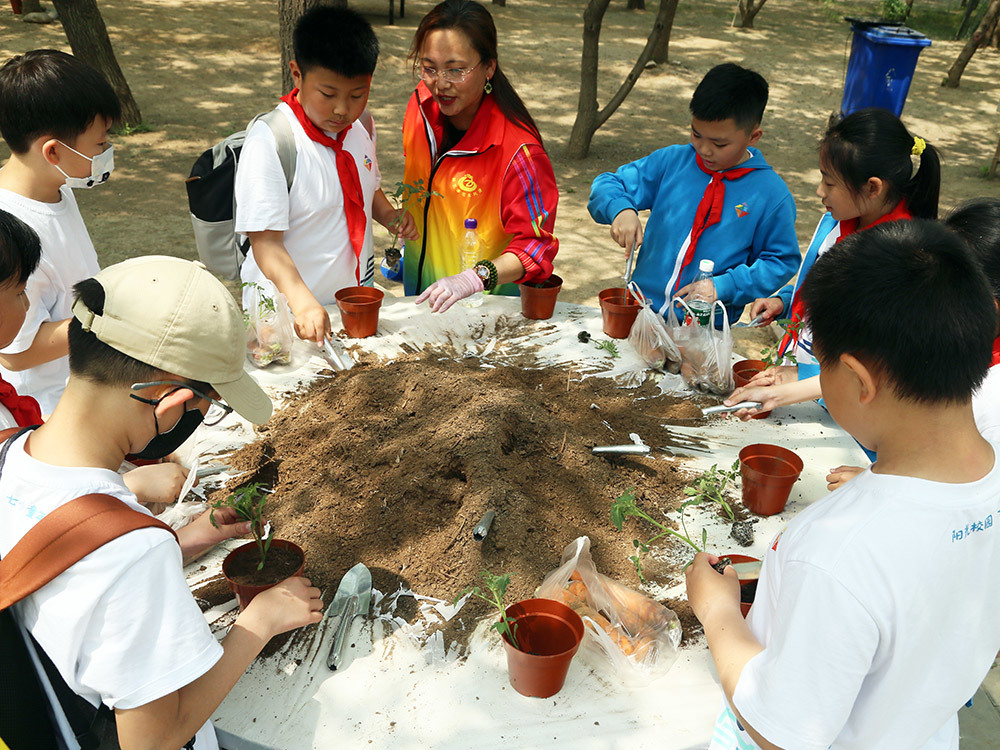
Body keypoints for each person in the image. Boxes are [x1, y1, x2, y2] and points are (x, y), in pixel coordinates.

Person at [687, 220, 1000, 750]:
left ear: (857, 379)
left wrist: (716, 612)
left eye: (822, 362)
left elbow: (779, 730)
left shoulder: (839, 550)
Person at [0, 256, 324, 748]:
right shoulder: (133, 556)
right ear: (169, 402)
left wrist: (184, 539)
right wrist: (256, 625)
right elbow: (152, 741)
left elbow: (67, 574)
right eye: (205, 406)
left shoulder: (8, 454)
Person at [726, 108, 940, 418]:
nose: (819, 191)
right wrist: (785, 301)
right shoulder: (838, 222)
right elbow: (824, 287)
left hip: (847, 412)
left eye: (829, 183)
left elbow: (874, 368)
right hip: (801, 382)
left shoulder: (900, 261)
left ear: (872, 187)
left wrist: (799, 380)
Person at [235, 5, 417, 343]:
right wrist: (301, 302)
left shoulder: (361, 127)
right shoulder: (273, 141)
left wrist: (390, 216)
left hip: (350, 307)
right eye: (328, 94)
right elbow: (265, 241)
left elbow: (365, 189)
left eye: (357, 95)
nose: (342, 110)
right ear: (297, 74)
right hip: (287, 316)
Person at [588, 63, 799, 327]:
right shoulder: (673, 161)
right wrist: (621, 209)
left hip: (704, 331)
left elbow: (780, 260)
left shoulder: (770, 194)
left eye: (719, 144)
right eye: (696, 134)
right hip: (640, 315)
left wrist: (724, 286)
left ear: (753, 136)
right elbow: (606, 184)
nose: (704, 150)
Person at [827, 197, 1000, 490]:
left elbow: (973, 489)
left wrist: (886, 484)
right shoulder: (956, 337)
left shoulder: (991, 402)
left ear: (985, 307)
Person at [404, 0, 559, 313]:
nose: (440, 84)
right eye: (429, 68)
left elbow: (536, 244)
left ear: (489, 67)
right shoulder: (419, 107)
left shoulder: (518, 151)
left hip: (482, 314)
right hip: (419, 300)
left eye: (456, 70)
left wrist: (474, 279)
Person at [0, 49, 119, 414]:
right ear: (53, 151)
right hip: (48, 408)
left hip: (85, 382)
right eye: (100, 144)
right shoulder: (11, 233)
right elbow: (17, 355)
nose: (108, 151)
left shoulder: (56, 187)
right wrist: (110, 319)